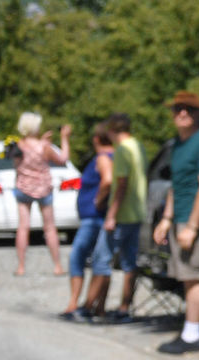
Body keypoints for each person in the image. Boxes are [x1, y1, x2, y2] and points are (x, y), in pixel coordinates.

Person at [153, 91, 199, 354]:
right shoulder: (179, 144)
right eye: (178, 108)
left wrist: (192, 227)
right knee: (186, 276)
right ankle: (189, 329)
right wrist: (166, 219)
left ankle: (192, 335)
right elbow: (176, 185)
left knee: (194, 276)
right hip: (180, 218)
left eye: (189, 109)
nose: (183, 113)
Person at [60, 125, 115, 321]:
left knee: (78, 257)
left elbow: (107, 180)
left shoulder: (103, 158)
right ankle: (99, 306)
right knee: (102, 261)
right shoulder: (116, 156)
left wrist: (98, 200)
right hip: (99, 217)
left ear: (97, 139)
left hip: (94, 218)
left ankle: (75, 304)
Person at [12, 112, 71, 277]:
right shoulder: (44, 147)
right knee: (50, 228)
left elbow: (17, 165)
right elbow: (62, 159)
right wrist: (64, 138)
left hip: (23, 187)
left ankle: (21, 267)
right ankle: (57, 266)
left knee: (23, 227)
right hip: (43, 188)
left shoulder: (18, 145)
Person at [103, 112, 147, 323]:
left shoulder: (121, 150)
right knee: (130, 263)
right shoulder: (138, 145)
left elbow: (121, 184)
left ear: (112, 130)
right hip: (137, 212)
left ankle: (96, 308)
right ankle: (124, 308)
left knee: (102, 259)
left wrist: (111, 215)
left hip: (123, 214)